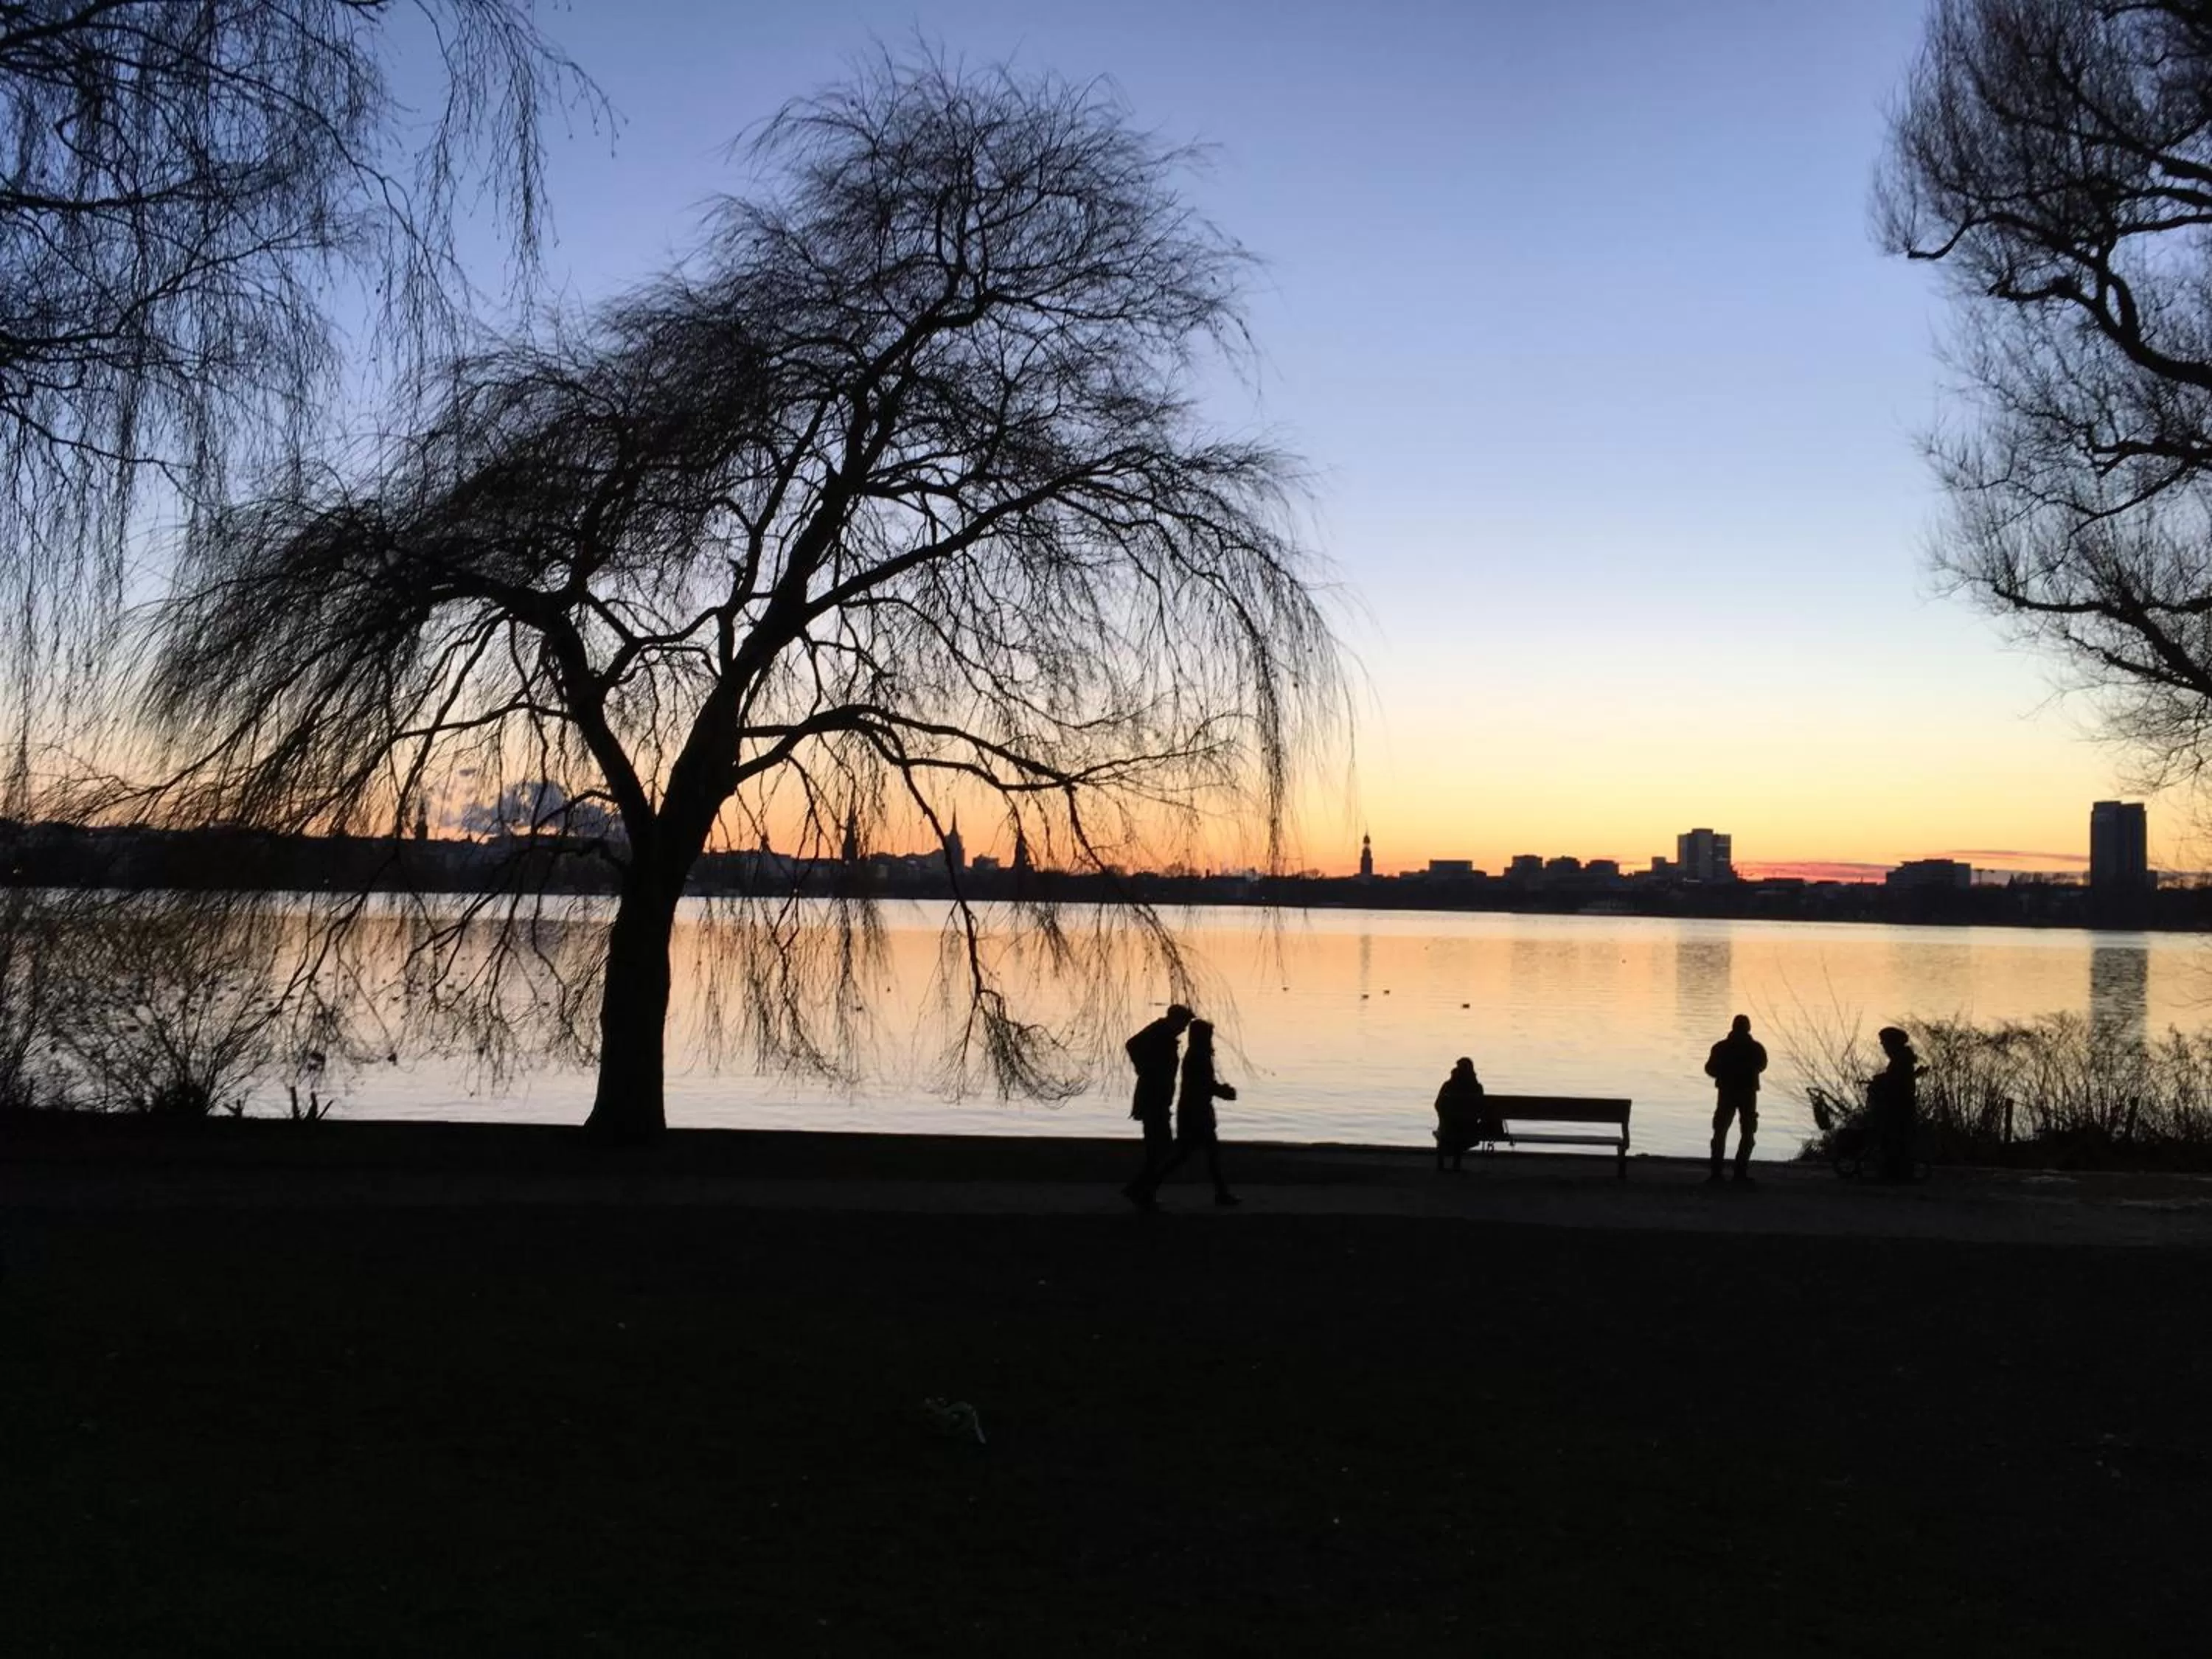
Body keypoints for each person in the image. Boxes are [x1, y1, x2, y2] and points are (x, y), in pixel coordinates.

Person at [1139, 1018, 1241, 1207]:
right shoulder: (1198, 1057)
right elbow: (1203, 1085)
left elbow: (1203, 1085)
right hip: (1197, 1114)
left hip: (1193, 1112)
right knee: (1193, 1156)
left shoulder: (1195, 1055)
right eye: (1209, 1035)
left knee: (1196, 1155)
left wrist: (1218, 1090)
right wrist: (1224, 1091)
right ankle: (1148, 1189)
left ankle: (1149, 1188)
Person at [1120, 1003, 1193, 1209]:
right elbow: (1131, 1044)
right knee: (1161, 1149)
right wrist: (1144, 1069)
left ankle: (1139, 1189)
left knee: (1159, 1149)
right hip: (1153, 1099)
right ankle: (1140, 1191)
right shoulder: (1159, 1033)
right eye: (1183, 1024)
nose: (1184, 1029)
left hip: (1159, 1099)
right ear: (1175, 1020)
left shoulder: (1165, 1036)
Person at [1703, 1013, 1767, 1185]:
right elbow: (1762, 1066)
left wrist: (1723, 1073)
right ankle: (1740, 1174)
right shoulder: (1756, 1048)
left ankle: (1716, 1174)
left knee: (1720, 1132)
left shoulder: (1720, 1047)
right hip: (1748, 1093)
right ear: (1748, 1028)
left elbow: (1710, 1069)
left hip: (1726, 1093)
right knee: (1747, 1133)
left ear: (1733, 1027)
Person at [1867, 1025, 1923, 1183]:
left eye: (1884, 1043)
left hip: (1898, 1108)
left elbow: (1896, 1083)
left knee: (1894, 1139)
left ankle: (1895, 1174)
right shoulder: (1902, 1059)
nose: (1883, 1046)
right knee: (1896, 1139)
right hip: (1901, 1106)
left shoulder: (1900, 1061)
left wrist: (1879, 1082)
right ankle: (1897, 1172)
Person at [1433, 1057, 1492, 1172]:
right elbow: (1481, 1109)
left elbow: (1438, 1105)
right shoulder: (1477, 1087)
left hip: (1448, 1127)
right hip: (1469, 1128)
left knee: (1449, 1130)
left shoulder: (1448, 1085)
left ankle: (1441, 1165)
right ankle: (1457, 1164)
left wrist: (1444, 1118)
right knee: (1462, 1128)